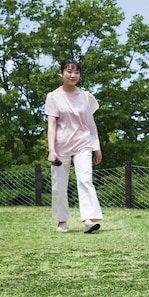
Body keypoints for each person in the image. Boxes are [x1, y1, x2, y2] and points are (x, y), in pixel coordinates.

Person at [45, 58, 104, 233]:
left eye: (77, 72)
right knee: (59, 185)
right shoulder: (53, 97)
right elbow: (52, 125)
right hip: (61, 145)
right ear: (61, 73)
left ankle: (88, 220)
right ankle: (62, 221)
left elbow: (90, 122)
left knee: (85, 180)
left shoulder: (86, 96)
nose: (73, 75)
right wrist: (51, 150)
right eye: (69, 71)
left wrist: (96, 145)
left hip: (83, 143)